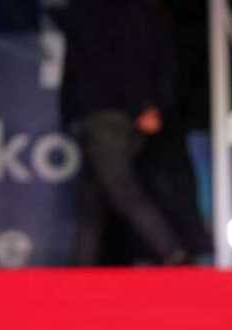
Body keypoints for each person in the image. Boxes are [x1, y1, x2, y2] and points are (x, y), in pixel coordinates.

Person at [60, 0, 206, 265]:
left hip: (112, 112)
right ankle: (81, 264)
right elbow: (78, 63)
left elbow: (132, 56)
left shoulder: (130, 9)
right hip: (102, 111)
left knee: (120, 187)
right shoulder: (94, 9)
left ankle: (172, 251)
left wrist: (145, 106)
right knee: (92, 195)